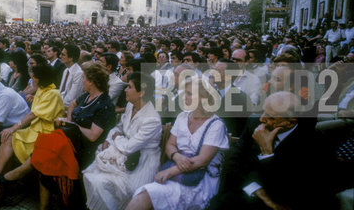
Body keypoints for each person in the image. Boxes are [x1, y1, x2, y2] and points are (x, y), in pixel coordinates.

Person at [208, 92, 334, 210]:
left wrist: (267, 154)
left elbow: (288, 190)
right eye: (263, 111)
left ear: (290, 123)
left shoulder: (314, 144)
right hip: (248, 190)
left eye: (270, 117)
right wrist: (257, 192)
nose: (262, 119)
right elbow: (233, 163)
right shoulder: (254, 123)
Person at [0, 63, 64, 205]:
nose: (31, 80)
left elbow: (32, 115)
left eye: (33, 77)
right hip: (33, 130)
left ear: (40, 78)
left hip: (44, 133)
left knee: (3, 136)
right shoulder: (43, 90)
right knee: (6, 137)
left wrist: (13, 128)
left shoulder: (53, 93)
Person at [127, 76, 229, 210]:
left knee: (146, 194)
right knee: (145, 193)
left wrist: (169, 172)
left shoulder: (216, 125)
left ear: (204, 99)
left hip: (198, 181)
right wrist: (177, 156)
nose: (184, 97)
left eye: (189, 94)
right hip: (177, 171)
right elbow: (170, 144)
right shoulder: (182, 116)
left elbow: (202, 160)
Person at [33, 61, 117, 209]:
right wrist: (69, 121)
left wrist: (73, 126)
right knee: (46, 151)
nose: (82, 81)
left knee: (45, 153)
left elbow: (92, 136)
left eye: (84, 78)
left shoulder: (105, 105)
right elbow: (72, 104)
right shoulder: (87, 96)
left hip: (86, 148)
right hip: (71, 140)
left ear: (92, 82)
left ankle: (8, 178)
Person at [83, 72, 162, 210]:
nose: (125, 90)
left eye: (129, 87)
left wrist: (117, 138)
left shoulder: (152, 120)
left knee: (100, 181)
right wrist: (110, 138)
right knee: (91, 174)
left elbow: (130, 147)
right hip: (123, 153)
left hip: (140, 162)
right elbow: (119, 127)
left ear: (141, 93)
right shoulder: (131, 105)